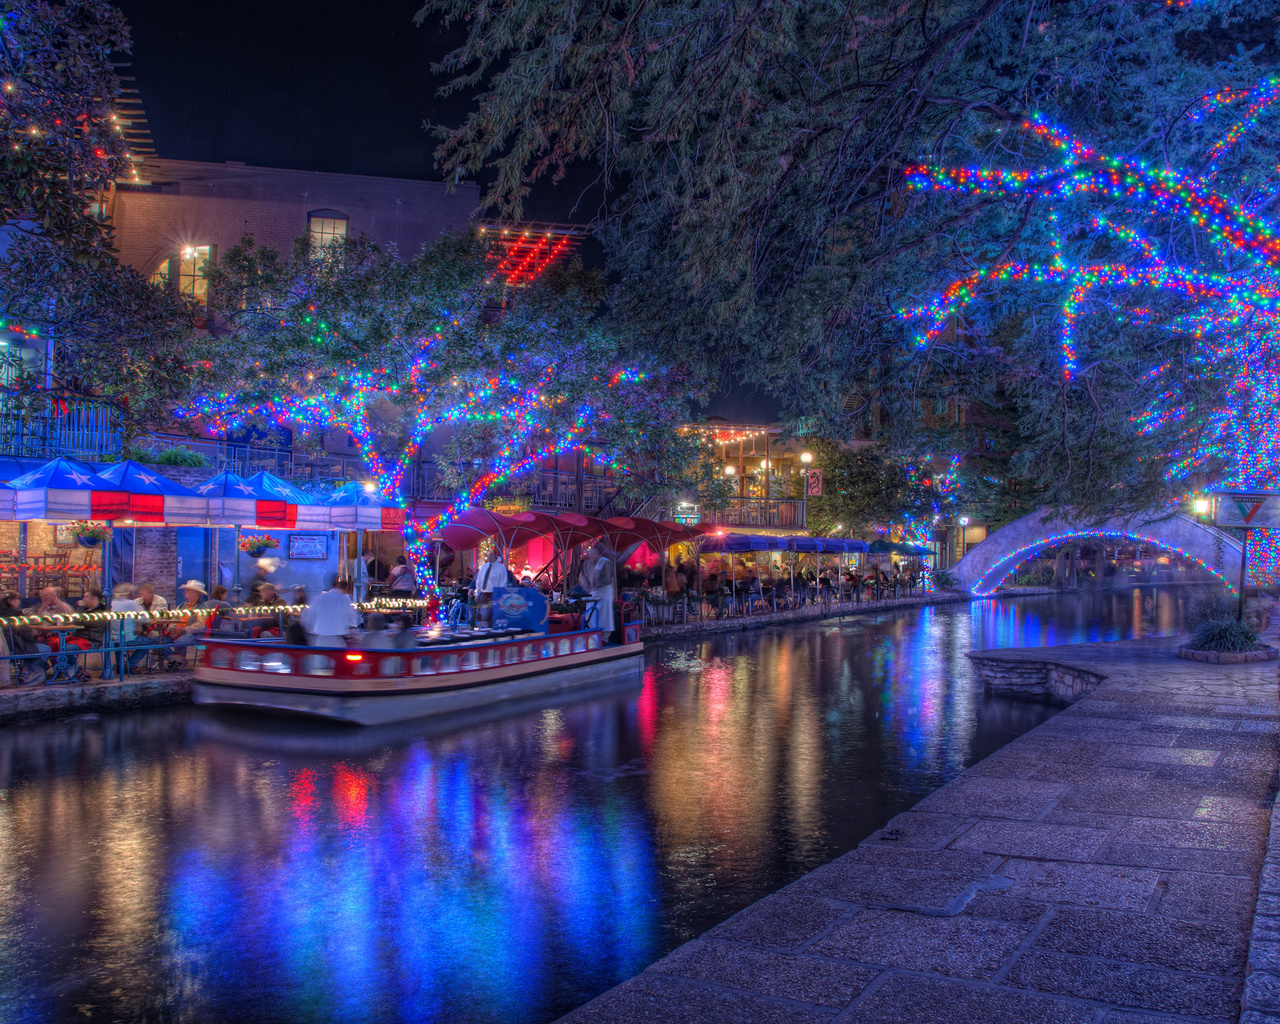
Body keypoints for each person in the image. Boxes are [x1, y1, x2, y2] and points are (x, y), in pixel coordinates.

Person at [300, 577, 359, 647]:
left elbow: (307, 619)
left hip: (320, 639)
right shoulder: (344, 599)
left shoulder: (318, 599)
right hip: (337, 639)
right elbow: (351, 619)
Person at [580, 543, 616, 634]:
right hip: (593, 593)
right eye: (589, 556)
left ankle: (604, 635)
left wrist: (595, 587)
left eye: (592, 556)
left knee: (604, 614)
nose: (591, 558)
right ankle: (592, 632)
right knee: (592, 613)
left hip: (604, 592)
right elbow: (583, 575)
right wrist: (584, 582)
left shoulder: (605, 562)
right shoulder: (588, 563)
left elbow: (606, 579)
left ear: (597, 555)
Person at [472, 548, 510, 623]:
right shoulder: (484, 567)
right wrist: (477, 593)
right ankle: (484, 630)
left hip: (495, 594)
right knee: (484, 616)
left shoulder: (501, 568)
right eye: (487, 556)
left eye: (489, 556)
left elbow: (503, 583)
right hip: (485, 594)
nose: (488, 558)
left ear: (493, 555)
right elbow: (479, 581)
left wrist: (501, 595)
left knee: (494, 617)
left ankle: (492, 631)